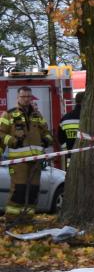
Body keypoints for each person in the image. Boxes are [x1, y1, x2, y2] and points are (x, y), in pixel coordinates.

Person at [0, 86, 53, 222]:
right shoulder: (9, 115)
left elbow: (47, 132)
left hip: (36, 160)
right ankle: (12, 219)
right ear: (17, 98)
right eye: (23, 96)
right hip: (18, 161)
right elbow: (1, 134)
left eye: (29, 96)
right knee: (19, 189)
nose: (26, 99)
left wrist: (46, 140)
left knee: (33, 190)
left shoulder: (37, 116)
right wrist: (12, 141)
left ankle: (28, 219)